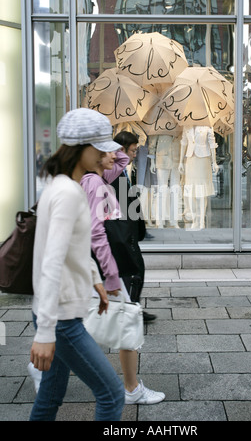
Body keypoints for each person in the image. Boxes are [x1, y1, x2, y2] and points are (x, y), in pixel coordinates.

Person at [29, 108, 125, 421]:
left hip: (57, 311)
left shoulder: (59, 185)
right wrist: (45, 332)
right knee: (112, 394)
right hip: (61, 318)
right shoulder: (69, 193)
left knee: (51, 396)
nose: (105, 156)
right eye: (99, 149)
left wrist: (95, 278)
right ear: (80, 149)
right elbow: (51, 262)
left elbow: (73, 247)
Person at [80, 133, 165, 406]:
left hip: (96, 267)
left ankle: (46, 366)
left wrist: (112, 152)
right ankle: (131, 389)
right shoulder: (97, 184)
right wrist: (113, 274)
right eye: (107, 152)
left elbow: (124, 159)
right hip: (107, 267)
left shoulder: (92, 178)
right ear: (93, 155)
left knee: (77, 325)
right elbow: (97, 233)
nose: (115, 157)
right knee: (128, 323)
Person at [111, 131, 156, 321]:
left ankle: (131, 307)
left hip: (127, 231)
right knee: (135, 270)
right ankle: (131, 310)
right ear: (122, 150)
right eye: (133, 151)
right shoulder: (112, 171)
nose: (135, 155)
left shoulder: (119, 170)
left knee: (132, 271)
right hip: (122, 232)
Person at [178, 125, 219, 230]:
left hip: (203, 159)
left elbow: (212, 144)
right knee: (190, 191)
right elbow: (183, 143)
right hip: (190, 160)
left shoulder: (207, 125)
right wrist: (181, 161)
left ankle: (201, 220)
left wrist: (214, 162)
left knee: (202, 192)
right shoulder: (187, 125)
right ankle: (194, 219)